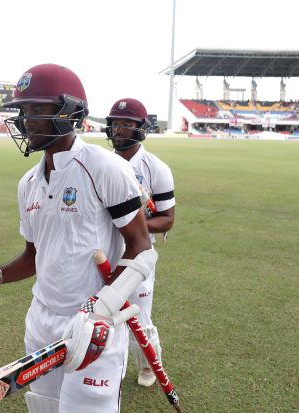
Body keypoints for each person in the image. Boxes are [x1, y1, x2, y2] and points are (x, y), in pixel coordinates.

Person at [0, 64, 156, 412]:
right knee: (44, 407)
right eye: (23, 110)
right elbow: (34, 257)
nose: (26, 120)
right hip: (42, 321)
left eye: (37, 109)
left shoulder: (105, 167)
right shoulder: (28, 183)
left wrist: (99, 311)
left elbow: (142, 249)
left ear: (69, 111)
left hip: (95, 326)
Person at [105, 98, 176, 387]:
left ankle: (148, 366)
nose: (119, 130)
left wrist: (130, 225)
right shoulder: (101, 162)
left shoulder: (156, 168)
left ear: (141, 128)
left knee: (140, 320)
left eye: (126, 124)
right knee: (104, 315)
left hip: (139, 256)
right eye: (115, 123)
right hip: (103, 253)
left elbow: (168, 219)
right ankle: (109, 368)